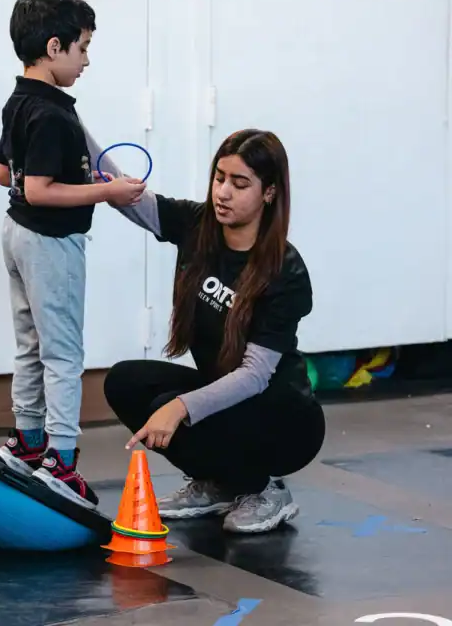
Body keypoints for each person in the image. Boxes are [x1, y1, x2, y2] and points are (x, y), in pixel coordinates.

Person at [87, 127, 326, 533]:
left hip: (285, 419)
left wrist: (179, 407)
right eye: (219, 178)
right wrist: (72, 123)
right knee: (126, 382)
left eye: (240, 183)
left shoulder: (285, 269)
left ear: (268, 193)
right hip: (231, 398)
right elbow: (127, 196)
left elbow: (254, 376)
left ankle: (265, 489)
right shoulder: (198, 224)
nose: (223, 192)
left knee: (171, 405)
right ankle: (220, 485)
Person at [0, 0, 147, 510]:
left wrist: (78, 174)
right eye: (82, 48)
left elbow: (3, 175)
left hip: (15, 234)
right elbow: (40, 189)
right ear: (55, 47)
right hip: (50, 242)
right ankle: (61, 460)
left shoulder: (18, 102)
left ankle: (29, 442)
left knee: (30, 344)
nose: (85, 61)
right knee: (62, 352)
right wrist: (107, 190)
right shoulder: (57, 115)